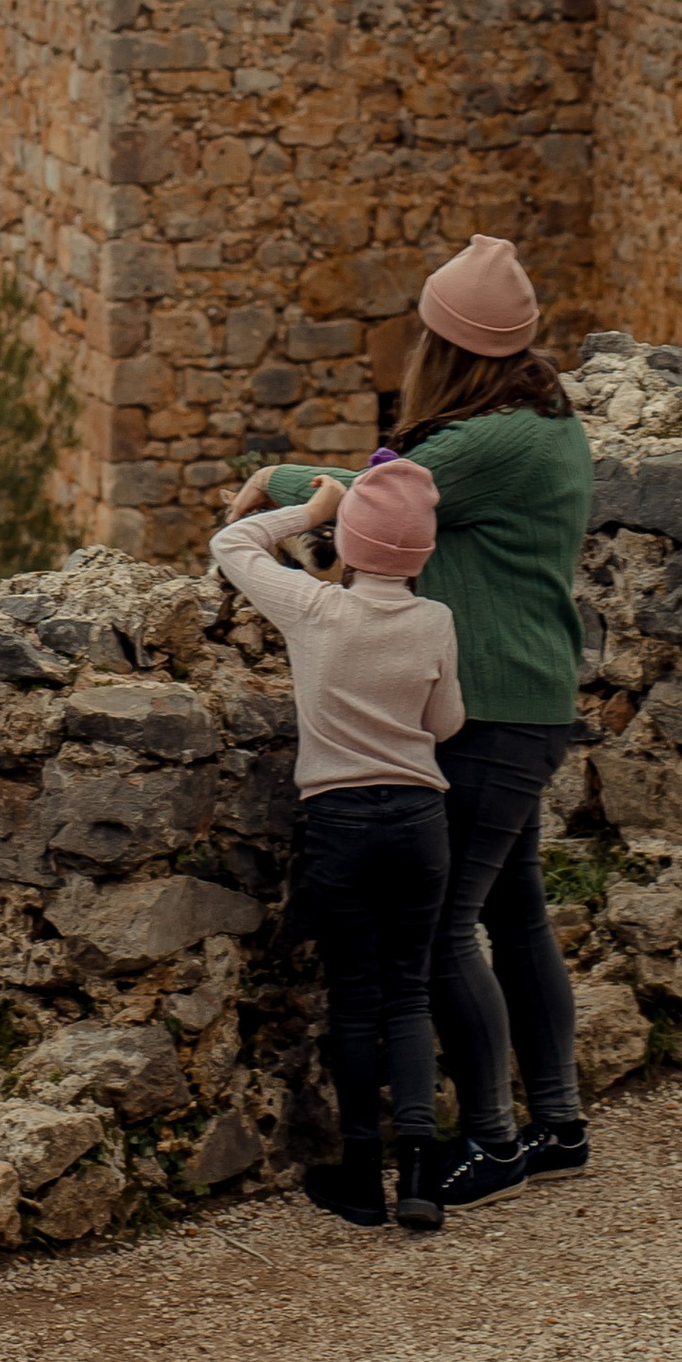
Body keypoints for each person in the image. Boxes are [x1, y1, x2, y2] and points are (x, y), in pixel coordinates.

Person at [232, 232, 594, 1208]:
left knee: (443, 931)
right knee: (515, 913)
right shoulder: (552, 425)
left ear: (449, 345)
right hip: (534, 695)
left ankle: (490, 1141)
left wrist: (276, 480)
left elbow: (374, 509)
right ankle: (555, 1122)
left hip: (487, 709)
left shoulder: (476, 443)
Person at [209, 457, 464, 1233]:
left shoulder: (314, 609)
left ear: (348, 541)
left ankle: (361, 1176)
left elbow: (234, 544)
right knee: (410, 991)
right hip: (422, 821)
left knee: (356, 998)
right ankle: (420, 1171)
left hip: (342, 821)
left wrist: (313, 508)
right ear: (421, 553)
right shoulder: (436, 622)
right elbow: (446, 724)